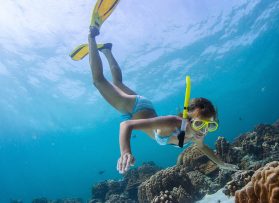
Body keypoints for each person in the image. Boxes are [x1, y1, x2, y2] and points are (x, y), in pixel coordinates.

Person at [88, 26, 238, 174]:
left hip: (146, 108)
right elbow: (126, 125)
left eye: (210, 126)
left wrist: (222, 164)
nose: (204, 131)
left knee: (118, 84)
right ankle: (92, 36)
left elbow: (202, 147)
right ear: (187, 118)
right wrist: (125, 152)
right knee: (98, 81)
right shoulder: (173, 123)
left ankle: (107, 50)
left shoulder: (199, 132)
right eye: (199, 123)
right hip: (136, 108)